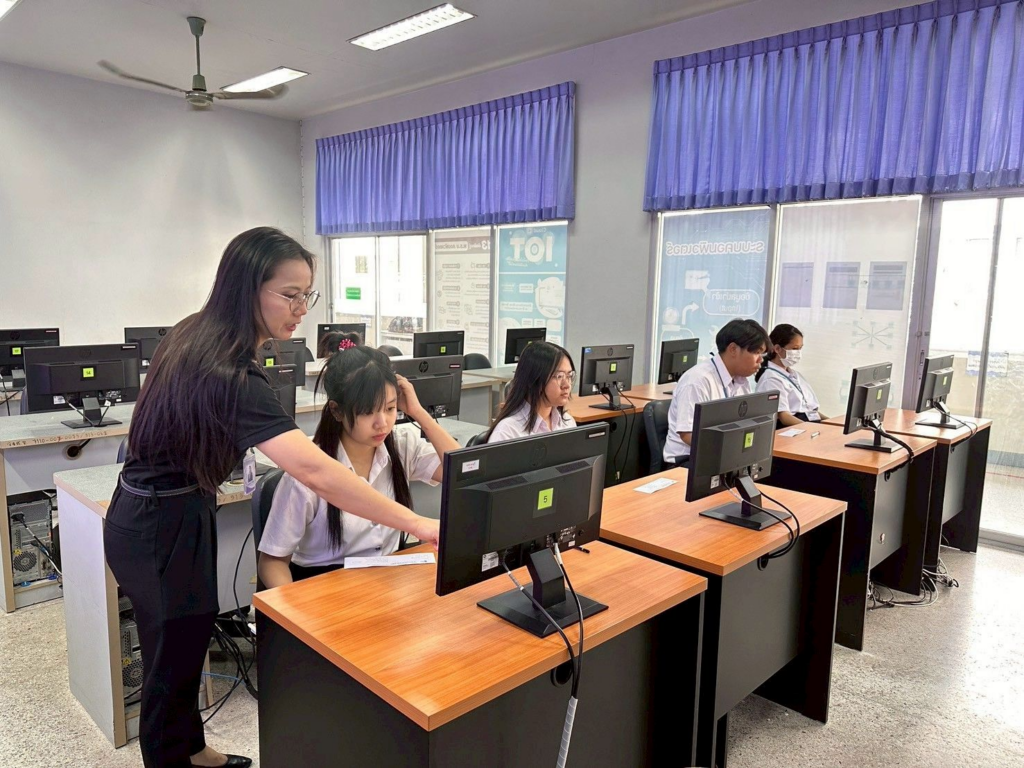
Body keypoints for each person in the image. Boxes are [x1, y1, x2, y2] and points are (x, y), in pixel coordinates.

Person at [103, 228, 439, 768]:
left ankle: (193, 751)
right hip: (159, 519)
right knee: (168, 663)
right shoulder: (228, 371)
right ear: (247, 287)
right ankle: (173, 758)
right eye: (290, 294)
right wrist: (418, 524)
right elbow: (316, 470)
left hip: (172, 508)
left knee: (188, 639)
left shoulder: (198, 333)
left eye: (308, 295)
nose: (302, 308)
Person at [257, 342, 458, 588]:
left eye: (390, 408)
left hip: (387, 581)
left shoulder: (402, 445)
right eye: (367, 412)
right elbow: (272, 561)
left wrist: (418, 412)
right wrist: (293, 608)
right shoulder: (308, 471)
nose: (382, 423)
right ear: (337, 411)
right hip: (323, 587)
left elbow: (463, 472)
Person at [663, 318, 770, 466]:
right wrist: (729, 451)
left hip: (724, 456)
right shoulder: (697, 381)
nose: (760, 360)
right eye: (756, 352)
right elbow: (687, 434)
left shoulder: (741, 381)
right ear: (733, 349)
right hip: (689, 460)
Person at [482, 341, 577, 442]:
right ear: (535, 379)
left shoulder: (567, 423)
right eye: (559, 376)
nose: (567, 385)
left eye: (569, 376)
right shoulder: (507, 432)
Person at [755, 323, 828, 426]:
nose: (798, 353)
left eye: (800, 348)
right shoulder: (770, 378)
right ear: (777, 349)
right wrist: (811, 429)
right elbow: (784, 417)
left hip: (809, 424)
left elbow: (812, 411)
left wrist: (832, 423)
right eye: (794, 349)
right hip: (794, 428)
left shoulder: (796, 375)